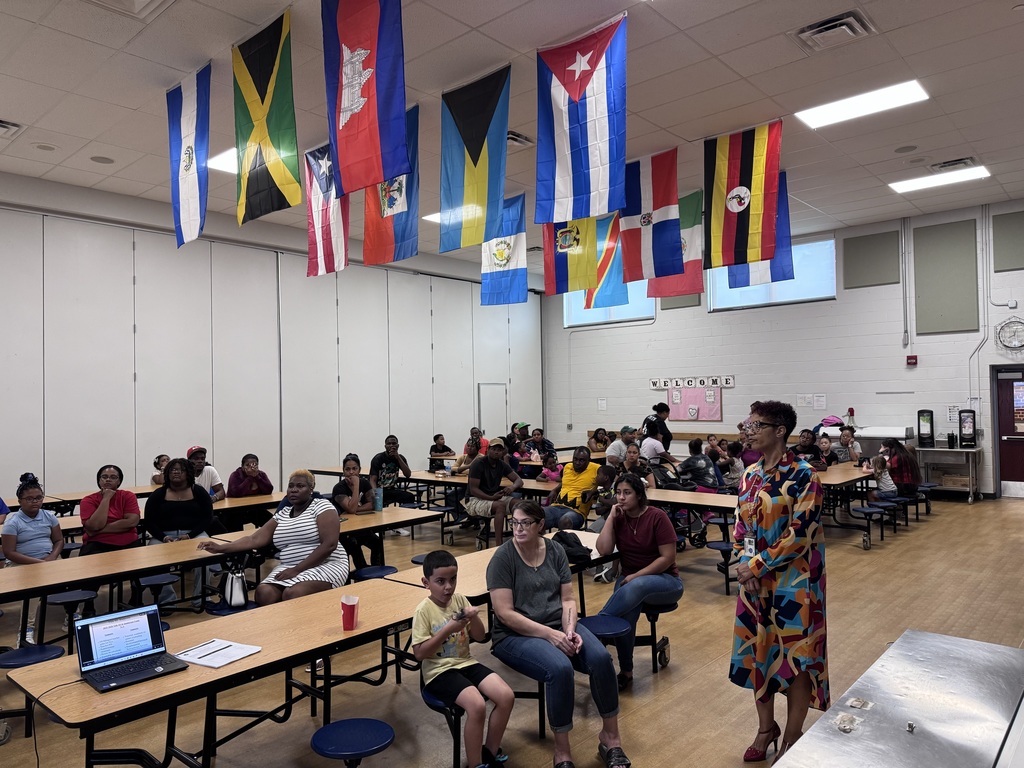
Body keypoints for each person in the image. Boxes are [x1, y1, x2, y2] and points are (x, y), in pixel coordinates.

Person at [486, 500, 631, 768]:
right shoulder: (503, 558)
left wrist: (570, 629)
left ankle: (611, 738)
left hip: (557, 624)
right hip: (514, 635)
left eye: (525, 523)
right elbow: (505, 614)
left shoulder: (555, 550)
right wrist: (551, 636)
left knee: (601, 659)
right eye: (514, 523)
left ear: (540, 525)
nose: (518, 529)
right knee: (560, 668)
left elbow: (567, 599)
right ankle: (562, 752)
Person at [730, 401, 829, 764]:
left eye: (756, 425)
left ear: (779, 431)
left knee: (797, 657)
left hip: (795, 582)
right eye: (749, 424)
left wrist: (756, 565)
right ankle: (765, 728)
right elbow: (742, 527)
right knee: (760, 653)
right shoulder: (750, 474)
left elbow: (800, 534)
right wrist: (746, 564)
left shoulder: (805, 475)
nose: (749, 430)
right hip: (755, 582)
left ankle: (792, 734)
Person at [412, 550, 515, 768]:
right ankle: (476, 765)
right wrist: (447, 629)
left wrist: (474, 617)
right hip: (439, 672)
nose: (448, 587)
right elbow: (419, 654)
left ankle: (489, 753)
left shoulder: (459, 600)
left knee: (506, 696)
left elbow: (480, 636)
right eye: (440, 581)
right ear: (426, 583)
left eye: (453, 579)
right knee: (477, 705)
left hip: (465, 663)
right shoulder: (423, 611)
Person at [198, 470, 349, 606]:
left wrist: (297, 570)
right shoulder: (283, 514)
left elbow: (329, 544)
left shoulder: (322, 506)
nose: (294, 490)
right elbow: (254, 539)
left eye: (300, 486)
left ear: (311, 489)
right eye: (291, 486)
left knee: (292, 593)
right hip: (290, 565)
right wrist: (220, 547)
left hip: (326, 564)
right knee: (263, 593)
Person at [596, 473, 683, 690]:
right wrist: (610, 518)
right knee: (626, 613)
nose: (621, 497)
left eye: (627, 493)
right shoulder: (619, 517)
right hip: (629, 582)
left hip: (665, 581)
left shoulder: (657, 516)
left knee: (637, 585)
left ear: (639, 495)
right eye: (618, 493)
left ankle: (596, 628)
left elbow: (667, 558)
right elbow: (604, 550)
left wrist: (636, 576)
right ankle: (626, 671)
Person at [143, 457, 215, 607]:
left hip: (193, 534)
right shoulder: (158, 494)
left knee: (206, 552)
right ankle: (167, 600)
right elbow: (149, 521)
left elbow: (207, 518)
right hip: (164, 535)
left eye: (181, 470)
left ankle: (201, 598)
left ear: (188, 473)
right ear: (167, 473)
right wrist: (163, 537)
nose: (176, 473)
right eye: (173, 470)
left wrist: (190, 535)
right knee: (153, 555)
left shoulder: (198, 492)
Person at [2, 473, 62, 646]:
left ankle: (73, 614)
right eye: (29, 499)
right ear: (19, 501)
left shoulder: (49, 516)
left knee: (72, 578)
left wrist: (52, 557)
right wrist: (40, 564)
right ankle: (26, 629)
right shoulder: (13, 522)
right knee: (35, 587)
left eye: (38, 498)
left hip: (48, 560)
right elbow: (9, 552)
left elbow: (59, 540)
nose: (35, 502)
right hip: (20, 563)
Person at [80, 464, 143, 612]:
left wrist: (97, 530)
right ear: (99, 480)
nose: (108, 480)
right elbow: (94, 524)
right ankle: (88, 606)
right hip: (98, 544)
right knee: (89, 570)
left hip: (128, 542)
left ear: (119, 481)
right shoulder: (88, 500)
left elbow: (132, 521)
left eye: (113, 477)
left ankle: (136, 599)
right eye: (104, 477)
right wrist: (106, 498)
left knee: (142, 568)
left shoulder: (127, 496)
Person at [465, 438, 522, 547]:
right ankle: (499, 545)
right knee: (500, 506)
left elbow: (519, 480)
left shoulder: (502, 464)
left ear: (503, 452)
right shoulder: (478, 463)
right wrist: (491, 498)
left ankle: (520, 536)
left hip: (494, 497)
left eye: (499, 450)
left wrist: (512, 487)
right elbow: (473, 490)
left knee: (520, 504)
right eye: (494, 449)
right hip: (474, 500)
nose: (496, 452)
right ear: (488, 450)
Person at [331, 453, 378, 569]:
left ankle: (377, 570)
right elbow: (351, 509)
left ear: (359, 470)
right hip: (344, 532)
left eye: (354, 468)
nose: (351, 472)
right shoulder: (339, 488)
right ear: (343, 471)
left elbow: (373, 504)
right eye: (347, 469)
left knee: (377, 542)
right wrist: (356, 485)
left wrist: (356, 509)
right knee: (354, 545)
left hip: (361, 527)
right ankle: (361, 571)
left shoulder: (365, 483)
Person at [545, 446, 600, 531]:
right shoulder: (567, 467)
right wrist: (555, 490)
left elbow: (611, 485)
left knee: (565, 521)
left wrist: (594, 492)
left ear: (589, 460)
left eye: (581, 460)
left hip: (576, 512)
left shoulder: (597, 469)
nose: (577, 463)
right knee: (535, 514)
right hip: (556, 507)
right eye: (575, 459)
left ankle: (560, 540)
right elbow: (565, 482)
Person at [369, 435, 415, 507]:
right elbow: (372, 480)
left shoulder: (400, 458)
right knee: (378, 502)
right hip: (379, 490)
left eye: (394, 443)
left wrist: (398, 457)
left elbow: (408, 474)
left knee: (409, 497)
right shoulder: (378, 458)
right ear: (385, 446)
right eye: (389, 444)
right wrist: (376, 495)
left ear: (398, 446)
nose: (391, 445)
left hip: (391, 489)